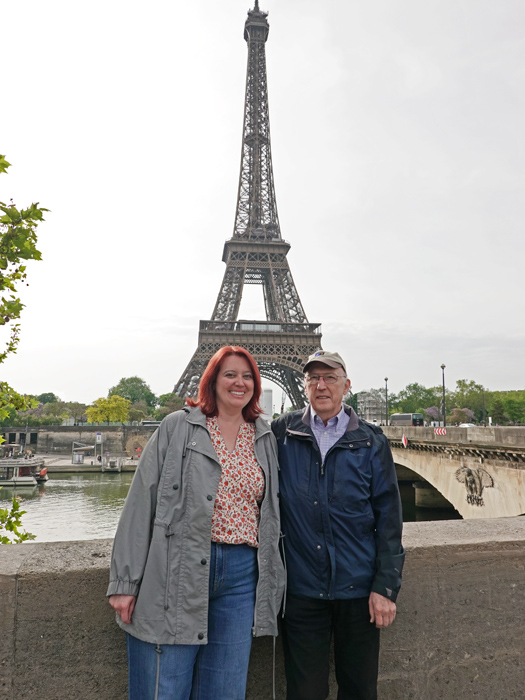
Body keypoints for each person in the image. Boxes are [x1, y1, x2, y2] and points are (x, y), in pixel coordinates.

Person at [107, 346, 285, 700]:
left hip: (241, 577)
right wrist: (125, 581)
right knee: (163, 688)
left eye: (248, 376)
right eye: (230, 374)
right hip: (178, 567)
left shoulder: (264, 437)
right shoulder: (178, 426)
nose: (240, 382)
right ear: (213, 380)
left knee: (225, 690)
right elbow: (142, 500)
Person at [271, 350, 405, 700]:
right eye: (313, 378)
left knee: (360, 691)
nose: (321, 385)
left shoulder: (372, 440)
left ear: (346, 385)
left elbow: (389, 519)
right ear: (304, 386)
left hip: (359, 591)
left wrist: (385, 586)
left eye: (330, 378)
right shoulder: (281, 433)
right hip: (302, 592)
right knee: (304, 693)